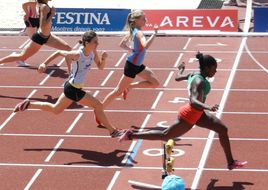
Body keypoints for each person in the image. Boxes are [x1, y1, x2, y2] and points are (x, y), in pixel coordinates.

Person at [119, 52, 247, 170]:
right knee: (165, 135)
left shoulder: (193, 74)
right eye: (214, 68)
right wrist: (208, 107)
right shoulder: (199, 81)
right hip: (190, 114)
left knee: (222, 129)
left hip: (199, 113)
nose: (216, 71)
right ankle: (130, 135)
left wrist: (180, 70)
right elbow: (193, 100)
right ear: (207, 68)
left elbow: (177, 78)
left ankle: (230, 162)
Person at [13, 30, 123, 138]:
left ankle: (28, 104)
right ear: (87, 43)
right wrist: (44, 64)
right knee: (98, 105)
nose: (97, 44)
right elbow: (59, 53)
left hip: (71, 87)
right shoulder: (77, 54)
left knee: (56, 109)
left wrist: (103, 59)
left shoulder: (92, 53)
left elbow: (101, 67)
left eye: (97, 41)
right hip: (73, 89)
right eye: (95, 42)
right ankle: (112, 131)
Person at [102, 10, 160, 108]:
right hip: (132, 66)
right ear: (136, 20)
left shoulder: (133, 30)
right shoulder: (139, 33)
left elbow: (122, 44)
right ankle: (100, 108)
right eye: (143, 19)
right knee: (118, 91)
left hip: (137, 64)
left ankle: (129, 87)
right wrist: (154, 34)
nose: (146, 20)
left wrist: (131, 50)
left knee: (155, 83)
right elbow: (145, 46)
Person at [0, 0, 72, 65]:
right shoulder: (44, 7)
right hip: (40, 38)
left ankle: (75, 69)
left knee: (68, 49)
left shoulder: (41, 5)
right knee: (22, 56)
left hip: (48, 36)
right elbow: (43, 25)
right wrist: (52, 14)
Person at [18, 0, 39, 66]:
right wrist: (27, 13)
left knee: (34, 42)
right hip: (31, 20)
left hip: (35, 20)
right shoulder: (33, 1)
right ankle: (20, 59)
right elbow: (24, 4)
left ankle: (25, 30)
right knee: (33, 42)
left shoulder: (37, 1)